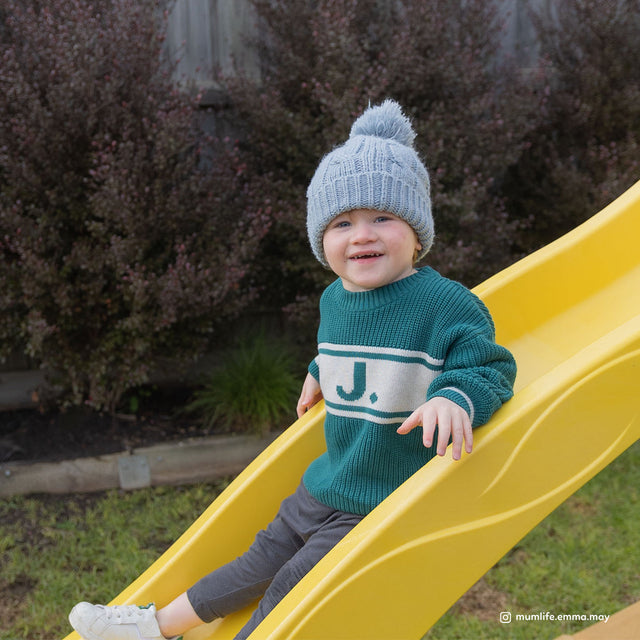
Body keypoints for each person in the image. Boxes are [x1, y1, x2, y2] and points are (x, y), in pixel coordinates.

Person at [68, 99, 517, 640]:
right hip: (327, 481)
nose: (362, 234)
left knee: (294, 585)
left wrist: (454, 397)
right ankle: (154, 626)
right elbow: (346, 348)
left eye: (383, 217)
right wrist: (319, 368)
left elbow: (490, 365)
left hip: (382, 500)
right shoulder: (335, 299)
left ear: (417, 232)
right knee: (256, 561)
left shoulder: (446, 304)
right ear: (321, 241)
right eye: (343, 222)